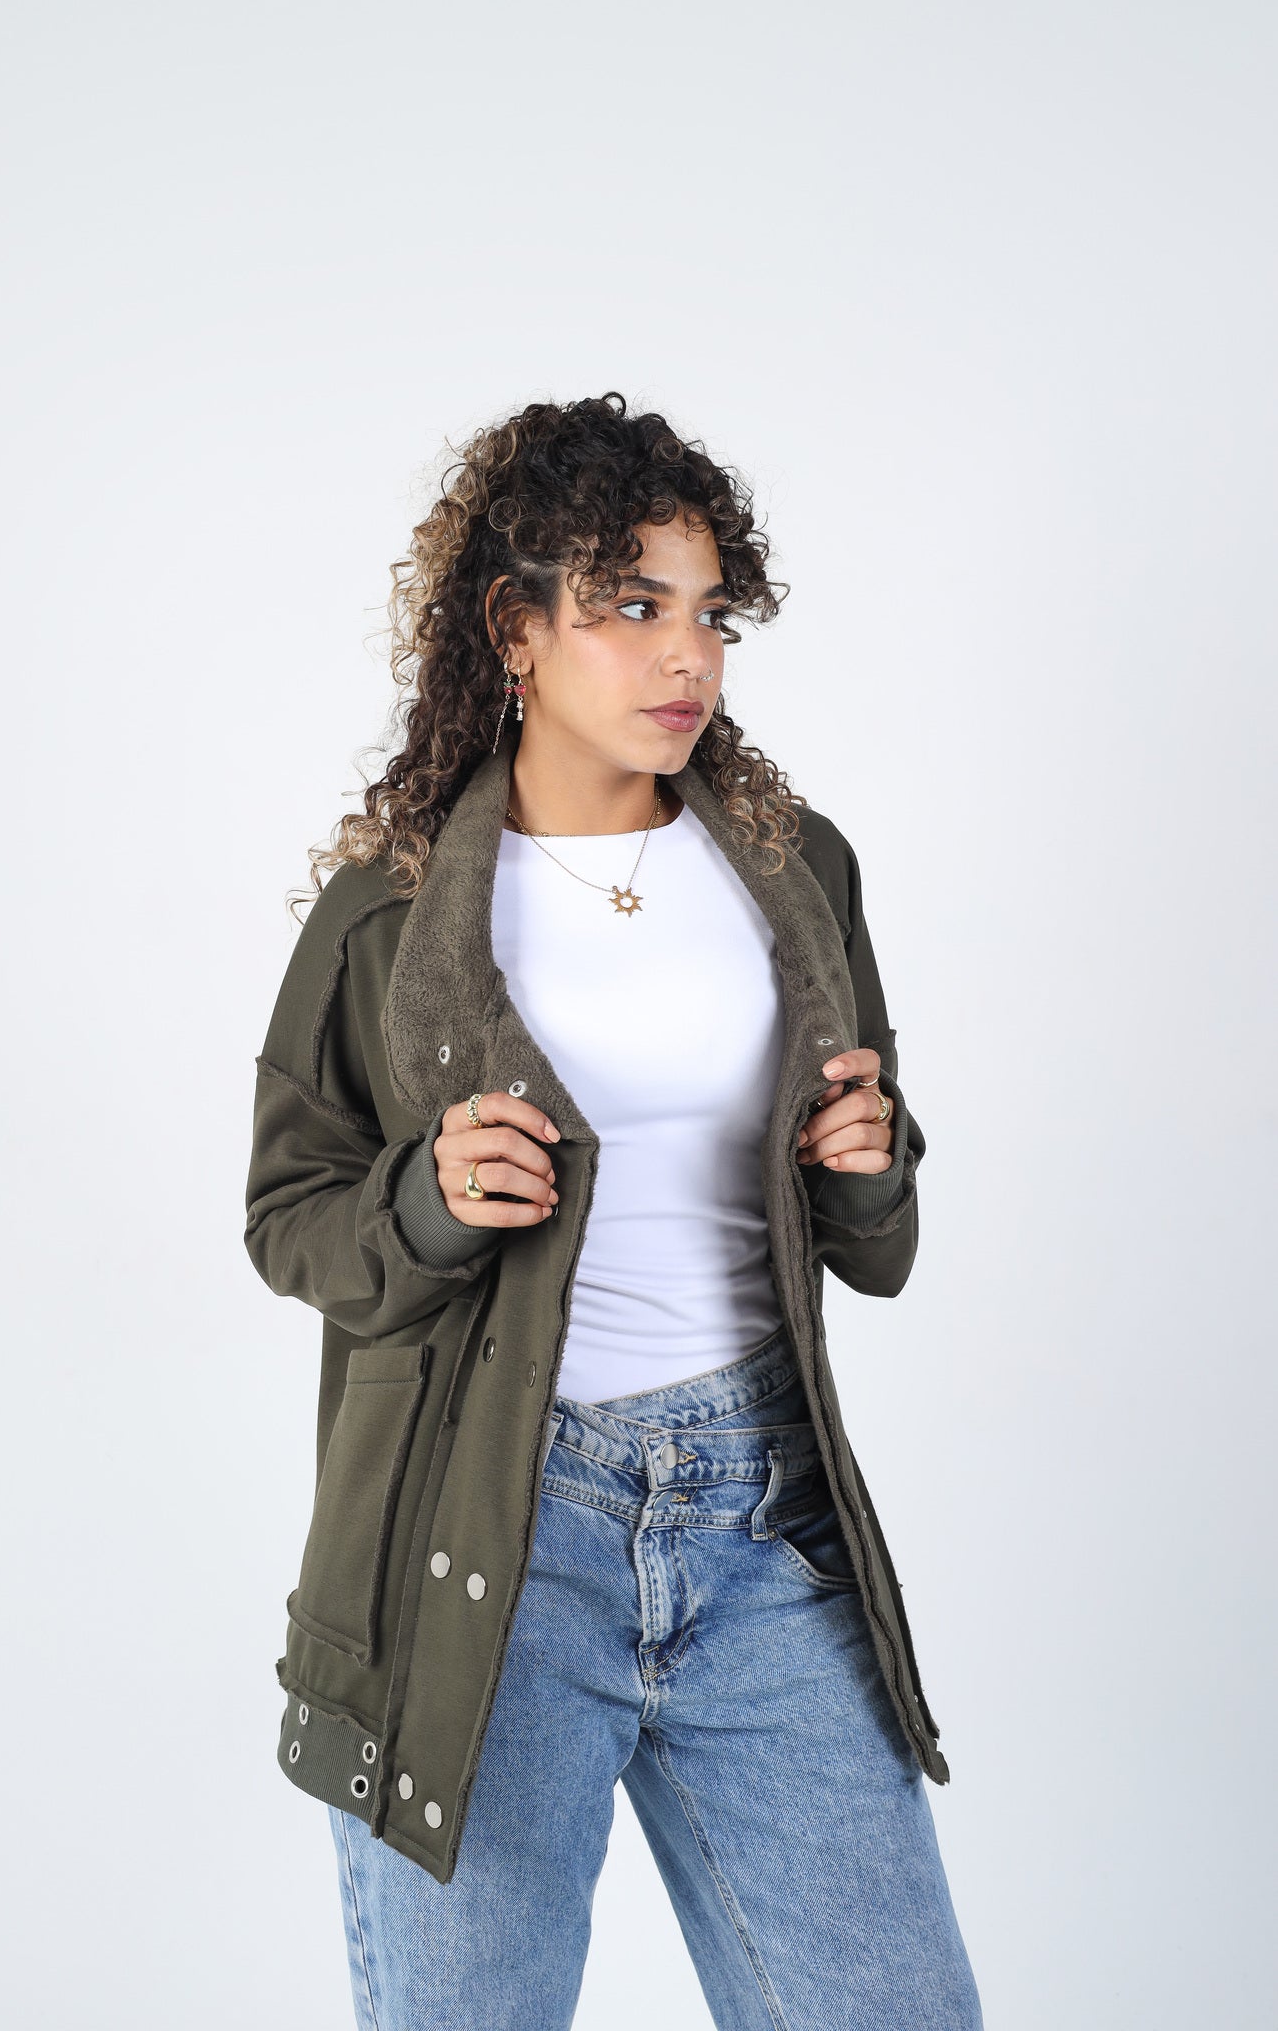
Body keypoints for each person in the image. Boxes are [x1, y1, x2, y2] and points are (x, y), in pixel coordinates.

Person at [243, 392, 983, 2028]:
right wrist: (427, 1203)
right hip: (492, 1538)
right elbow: (289, 1213)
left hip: (761, 1522)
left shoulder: (793, 871)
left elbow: (875, 1245)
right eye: (630, 606)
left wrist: (869, 1166)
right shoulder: (386, 916)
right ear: (514, 629)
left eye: (709, 615)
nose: (685, 656)